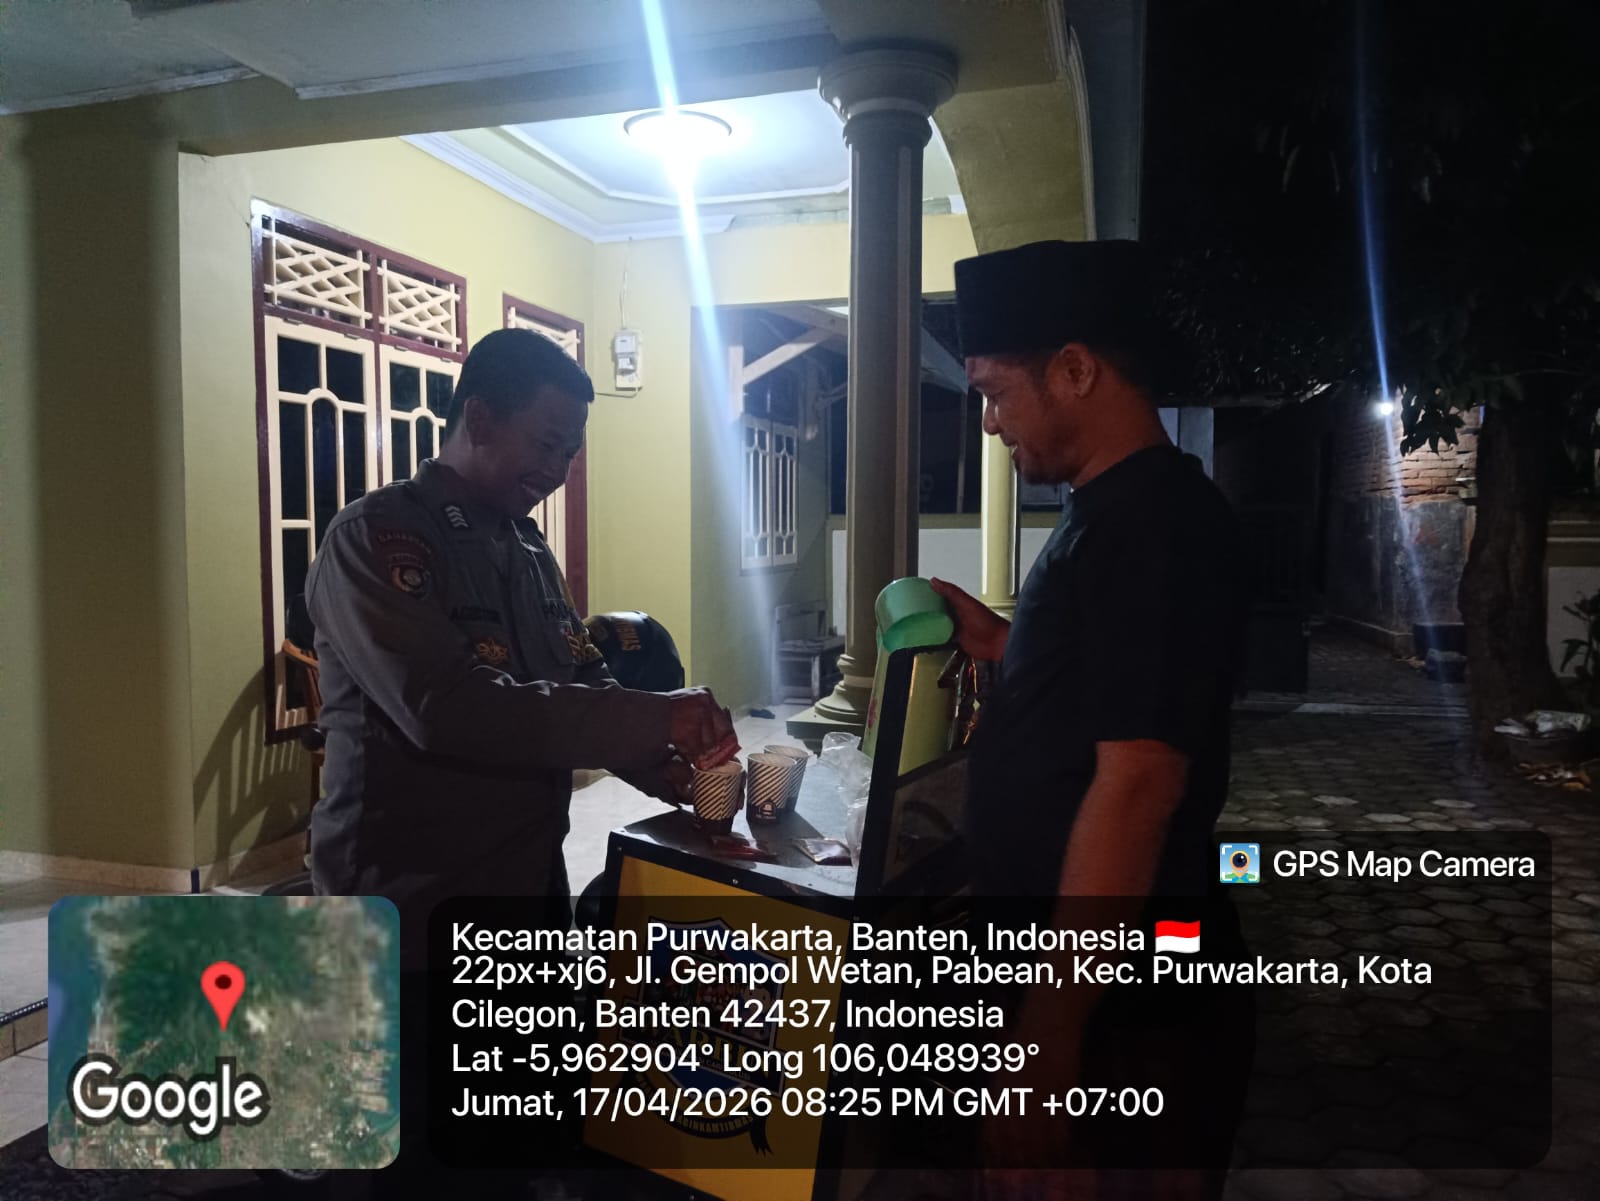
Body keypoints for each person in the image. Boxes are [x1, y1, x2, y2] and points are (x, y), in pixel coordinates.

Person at [304, 329, 732, 1192]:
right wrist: (655, 714)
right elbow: (448, 707)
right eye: (546, 443)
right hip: (410, 912)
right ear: (480, 417)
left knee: (511, 1139)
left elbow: (578, 677)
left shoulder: (528, 551)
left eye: (570, 452)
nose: (558, 468)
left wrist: (667, 766)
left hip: (521, 895)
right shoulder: (379, 539)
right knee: (415, 1161)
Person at [929, 240, 1251, 1201]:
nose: (990, 422)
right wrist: (1004, 642)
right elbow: (1109, 675)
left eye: (996, 393)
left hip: (1129, 1000)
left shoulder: (1151, 523)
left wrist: (1045, 1053)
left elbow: (1139, 781)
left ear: (1075, 369)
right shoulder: (1110, 510)